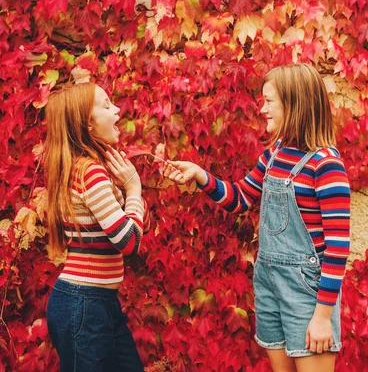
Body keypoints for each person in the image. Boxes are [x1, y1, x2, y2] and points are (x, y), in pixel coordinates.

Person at [164, 63, 351, 372]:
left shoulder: (326, 166)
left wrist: (321, 317)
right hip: (269, 282)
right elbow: (239, 199)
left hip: (307, 292)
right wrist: (199, 175)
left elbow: (338, 249)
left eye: (269, 101)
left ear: (294, 104)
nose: (262, 109)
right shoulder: (275, 153)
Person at [44, 81, 149, 371]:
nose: (117, 110)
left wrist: (130, 193)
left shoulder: (83, 167)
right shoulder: (89, 171)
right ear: (87, 124)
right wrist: (134, 188)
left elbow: (128, 225)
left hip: (98, 303)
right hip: (84, 306)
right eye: (106, 105)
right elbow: (129, 241)